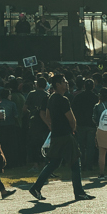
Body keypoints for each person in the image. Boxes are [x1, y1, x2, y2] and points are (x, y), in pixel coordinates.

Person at [28, 74, 91, 202]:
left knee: (54, 163)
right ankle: (79, 192)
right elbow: (72, 119)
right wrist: (73, 129)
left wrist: (54, 126)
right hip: (66, 135)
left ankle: (36, 187)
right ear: (57, 84)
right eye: (64, 81)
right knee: (75, 163)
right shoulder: (64, 100)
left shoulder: (51, 98)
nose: (67, 83)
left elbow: (47, 115)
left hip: (56, 135)